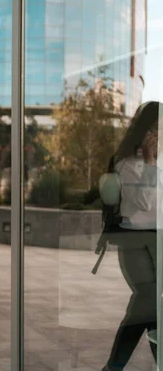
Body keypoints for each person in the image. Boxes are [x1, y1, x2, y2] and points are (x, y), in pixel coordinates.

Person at [102, 101, 160, 371]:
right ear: (147, 130)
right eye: (158, 128)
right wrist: (149, 161)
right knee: (148, 299)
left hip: (159, 239)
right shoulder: (125, 163)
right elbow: (144, 203)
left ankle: (113, 368)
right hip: (134, 240)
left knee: (152, 307)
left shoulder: (157, 164)